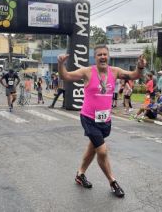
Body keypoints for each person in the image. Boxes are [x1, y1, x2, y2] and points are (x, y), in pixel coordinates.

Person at [58, 44, 146, 198]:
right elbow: (66, 76)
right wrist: (60, 64)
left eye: (105, 54)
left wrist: (140, 67)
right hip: (89, 118)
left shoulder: (115, 71)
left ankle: (80, 174)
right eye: (99, 55)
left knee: (93, 148)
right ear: (95, 57)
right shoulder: (87, 72)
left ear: (108, 56)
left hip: (105, 120)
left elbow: (134, 75)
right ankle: (113, 182)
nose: (103, 57)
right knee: (102, 151)